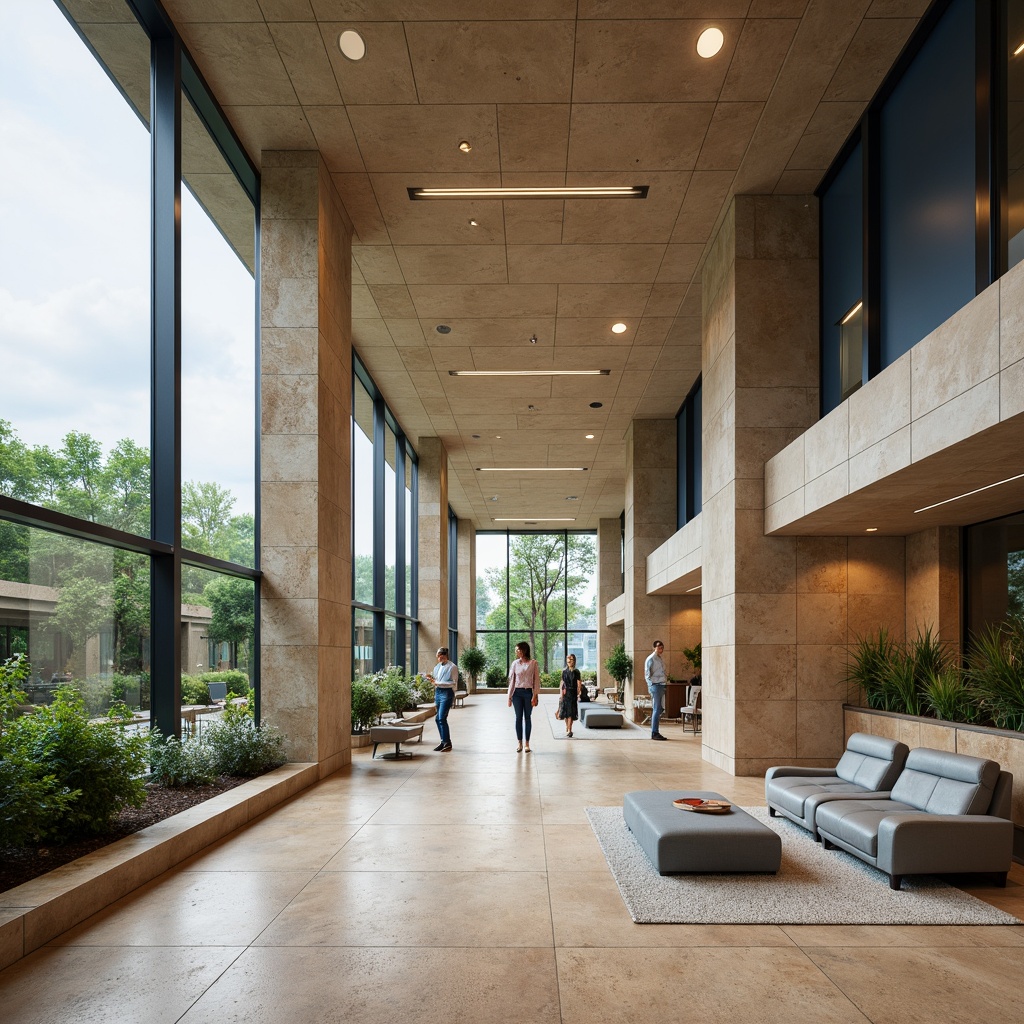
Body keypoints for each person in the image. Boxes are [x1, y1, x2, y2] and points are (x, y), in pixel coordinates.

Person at [506, 640, 540, 752]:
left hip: (528, 693)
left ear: (524, 650)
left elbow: (536, 681)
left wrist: (535, 695)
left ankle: (527, 744)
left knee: (528, 718)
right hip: (517, 694)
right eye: (516, 650)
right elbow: (512, 681)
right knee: (518, 718)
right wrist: (509, 696)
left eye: (518, 649)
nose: (516, 652)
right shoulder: (515, 663)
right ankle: (519, 743)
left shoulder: (533, 663)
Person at [427, 647, 455, 751]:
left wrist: (438, 682)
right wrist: (431, 679)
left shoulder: (452, 667)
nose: (439, 658)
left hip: (447, 693)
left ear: (445, 655)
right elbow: (436, 679)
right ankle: (443, 741)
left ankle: (447, 743)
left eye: (440, 656)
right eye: (438, 657)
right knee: (437, 719)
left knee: (441, 718)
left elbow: (454, 683)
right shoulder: (437, 667)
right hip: (438, 692)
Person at [645, 639, 668, 740]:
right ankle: (654, 732)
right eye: (659, 647)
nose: (661, 649)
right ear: (654, 647)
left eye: (662, 647)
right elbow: (647, 674)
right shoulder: (651, 658)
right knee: (656, 709)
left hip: (661, 685)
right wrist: (650, 687)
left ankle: (655, 731)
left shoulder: (659, 658)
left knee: (660, 708)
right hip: (656, 685)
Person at [559, 653, 582, 738]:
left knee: (571, 713)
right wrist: (561, 694)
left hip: (573, 694)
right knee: (566, 712)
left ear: (574, 661)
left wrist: (579, 693)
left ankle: (569, 729)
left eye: (571, 659)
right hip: (565, 693)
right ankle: (568, 727)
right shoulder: (564, 671)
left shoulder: (576, 671)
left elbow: (579, 683)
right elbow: (562, 683)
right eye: (568, 659)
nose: (569, 660)